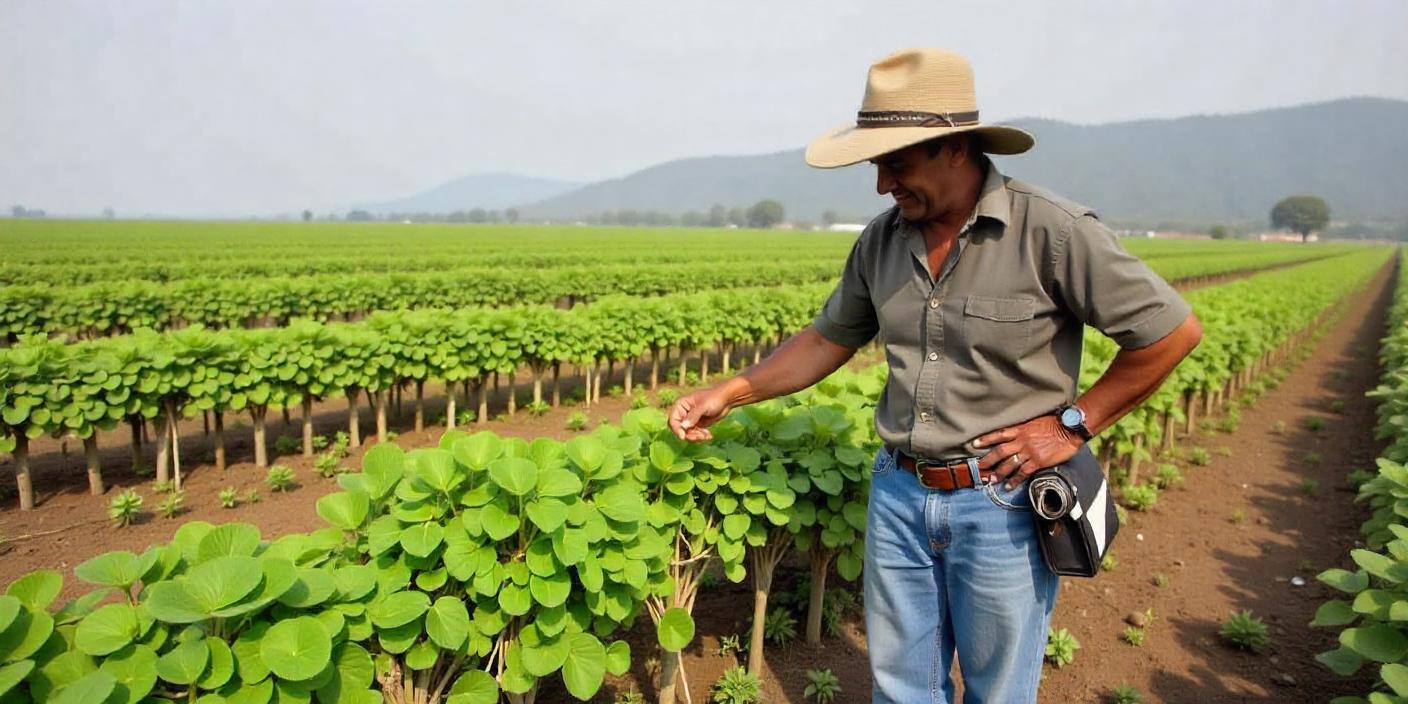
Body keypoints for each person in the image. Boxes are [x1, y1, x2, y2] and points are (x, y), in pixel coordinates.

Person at [668, 47, 1202, 703]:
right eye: (876, 164)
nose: (883, 183)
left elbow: (1171, 332)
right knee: (899, 688)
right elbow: (827, 338)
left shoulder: (1051, 231)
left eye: (897, 162)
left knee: (998, 690)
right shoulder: (881, 241)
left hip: (1002, 500)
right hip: (899, 493)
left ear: (954, 147)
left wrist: (1073, 424)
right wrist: (735, 390)